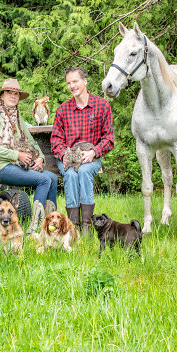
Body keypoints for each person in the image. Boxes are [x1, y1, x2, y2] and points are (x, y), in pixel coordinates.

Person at [0, 78, 59, 235]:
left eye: (16, 94)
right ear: (1, 96)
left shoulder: (18, 119)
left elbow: (32, 142)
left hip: (16, 165)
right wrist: (17, 154)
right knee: (43, 180)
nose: (13, 96)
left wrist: (40, 158)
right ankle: (35, 227)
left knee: (53, 178)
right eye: (9, 93)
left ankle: (51, 223)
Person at [51, 67, 114, 233]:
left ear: (85, 81)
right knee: (71, 175)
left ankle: (87, 227)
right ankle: (73, 228)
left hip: (91, 158)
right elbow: (56, 139)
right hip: (68, 158)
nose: (72, 86)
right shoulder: (63, 109)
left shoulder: (102, 105)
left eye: (75, 81)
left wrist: (93, 152)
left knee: (84, 171)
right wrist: (66, 154)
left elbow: (108, 138)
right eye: (68, 83)